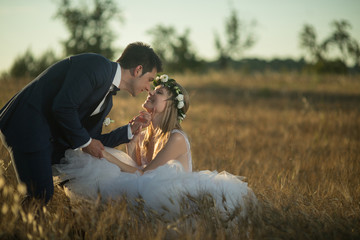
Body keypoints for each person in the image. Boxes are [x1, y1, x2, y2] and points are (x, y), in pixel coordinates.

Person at [54, 75, 256, 220]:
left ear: (170, 106)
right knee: (94, 164)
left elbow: (142, 175)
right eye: (153, 89)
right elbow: (134, 165)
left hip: (175, 197)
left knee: (103, 163)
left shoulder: (176, 138)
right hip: (147, 188)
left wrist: (105, 154)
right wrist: (133, 137)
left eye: (158, 92)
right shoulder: (146, 132)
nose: (150, 92)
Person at [0, 42, 162, 204]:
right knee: (40, 194)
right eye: (149, 80)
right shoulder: (97, 65)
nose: (149, 88)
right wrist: (87, 142)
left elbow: (92, 140)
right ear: (138, 70)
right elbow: (63, 107)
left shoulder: (107, 100)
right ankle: (15, 229)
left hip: (47, 136)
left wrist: (129, 130)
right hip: (28, 125)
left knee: (54, 195)